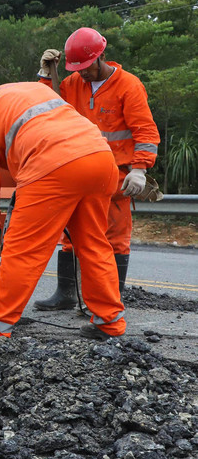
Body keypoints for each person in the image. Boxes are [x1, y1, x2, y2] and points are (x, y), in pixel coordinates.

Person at [0, 73, 125, 343]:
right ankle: (110, 322)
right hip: (100, 159)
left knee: (22, 250)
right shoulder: (21, 88)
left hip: (53, 165)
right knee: (94, 243)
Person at [33, 28, 160, 311]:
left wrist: (139, 169)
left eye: (86, 67)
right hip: (78, 171)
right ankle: (66, 294)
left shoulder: (128, 85)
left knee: (114, 238)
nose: (83, 73)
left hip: (116, 176)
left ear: (100, 56)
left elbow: (146, 131)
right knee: (71, 235)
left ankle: (109, 303)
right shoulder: (72, 84)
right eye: (76, 68)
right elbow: (43, 106)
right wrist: (45, 74)